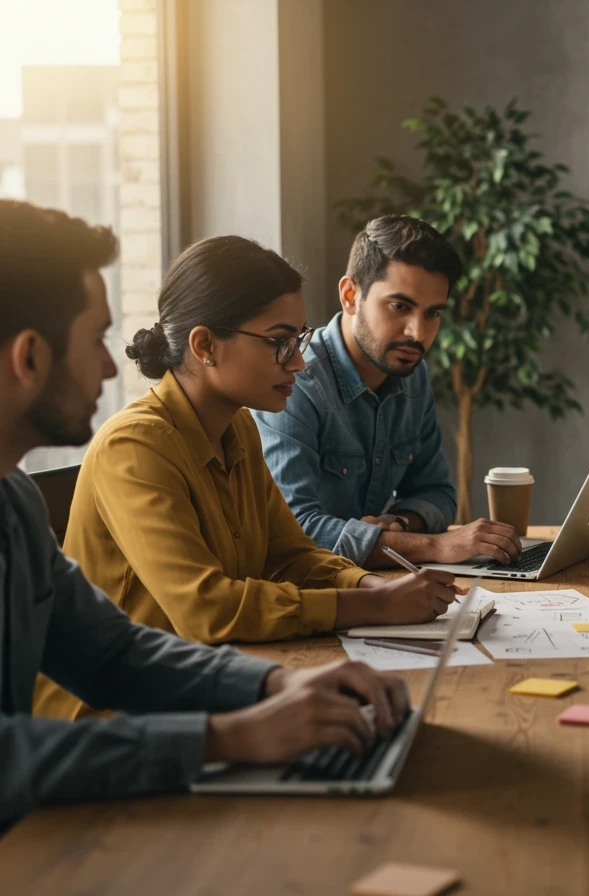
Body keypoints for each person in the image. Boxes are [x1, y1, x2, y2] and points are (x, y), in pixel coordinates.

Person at [1, 200, 415, 832]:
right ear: (29, 358)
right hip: (69, 806)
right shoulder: (130, 445)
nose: (115, 366)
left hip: (102, 772)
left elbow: (113, 656)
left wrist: (271, 689)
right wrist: (228, 737)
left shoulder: (16, 501)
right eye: (94, 341)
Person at [33, 234, 459, 722]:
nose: (298, 361)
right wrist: (375, 608)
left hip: (198, 692)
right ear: (205, 345)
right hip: (105, 725)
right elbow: (207, 610)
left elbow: (289, 554)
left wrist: (370, 586)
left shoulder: (236, 426)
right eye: (280, 343)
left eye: (299, 340)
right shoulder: (133, 447)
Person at [253, 215, 520, 569]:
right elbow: (294, 531)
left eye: (433, 313)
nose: (417, 333)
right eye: (400, 306)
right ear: (350, 296)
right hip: (304, 594)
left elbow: (437, 493)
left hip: (366, 584)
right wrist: (435, 546)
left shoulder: (412, 374)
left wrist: (400, 525)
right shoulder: (296, 383)